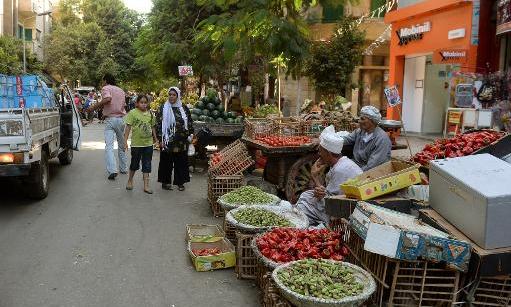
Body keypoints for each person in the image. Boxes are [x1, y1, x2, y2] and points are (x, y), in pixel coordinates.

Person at [296, 125, 362, 226]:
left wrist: (314, 176)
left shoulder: (341, 169)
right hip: (339, 201)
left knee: (304, 205)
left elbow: (330, 201)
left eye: (320, 151)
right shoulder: (341, 163)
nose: (319, 154)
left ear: (328, 153)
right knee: (307, 195)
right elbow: (326, 193)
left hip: (347, 210)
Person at [87, 73, 128, 180]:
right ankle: (123, 168)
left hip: (110, 119)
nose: (102, 83)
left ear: (106, 80)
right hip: (121, 119)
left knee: (109, 146)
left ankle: (113, 170)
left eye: (102, 81)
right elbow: (124, 105)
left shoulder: (106, 88)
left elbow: (107, 99)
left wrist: (93, 107)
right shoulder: (121, 90)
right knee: (121, 144)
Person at [157, 87, 194, 191]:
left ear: (177, 96)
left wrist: (190, 134)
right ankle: (166, 182)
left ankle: (180, 182)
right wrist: (160, 139)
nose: (171, 97)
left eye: (174, 95)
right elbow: (158, 123)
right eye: (170, 94)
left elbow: (189, 121)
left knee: (181, 162)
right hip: (167, 140)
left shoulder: (183, 107)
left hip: (181, 141)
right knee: (166, 162)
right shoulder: (163, 107)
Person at [123, 94, 159, 194]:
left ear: (148, 103)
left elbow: (153, 128)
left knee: (147, 164)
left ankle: (146, 186)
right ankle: (130, 180)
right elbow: (128, 127)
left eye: (145, 102)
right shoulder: (132, 113)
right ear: (137, 103)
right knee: (134, 164)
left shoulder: (151, 114)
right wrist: (125, 141)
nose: (143, 104)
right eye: (141, 102)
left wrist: (155, 139)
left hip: (148, 144)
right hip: (136, 145)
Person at [343, 106, 392, 171]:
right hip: (356, 166)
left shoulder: (381, 139)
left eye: (362, 119)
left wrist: (355, 174)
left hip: (372, 172)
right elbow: (346, 139)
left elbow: (372, 165)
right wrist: (331, 140)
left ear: (372, 121)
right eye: (359, 118)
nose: (359, 121)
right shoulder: (360, 131)